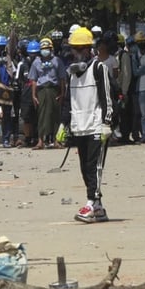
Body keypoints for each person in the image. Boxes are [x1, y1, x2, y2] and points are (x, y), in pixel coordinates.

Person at [61, 28, 113, 223]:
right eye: (74, 49)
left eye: (80, 48)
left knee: (95, 167)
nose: (76, 53)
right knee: (85, 167)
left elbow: (107, 98)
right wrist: (63, 123)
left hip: (96, 126)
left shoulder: (99, 69)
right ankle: (98, 208)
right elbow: (68, 100)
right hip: (79, 126)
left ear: (88, 49)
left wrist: (106, 123)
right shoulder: (71, 73)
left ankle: (92, 202)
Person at [29, 38, 65, 149]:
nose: (45, 51)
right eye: (43, 49)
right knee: (41, 115)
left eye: (47, 49)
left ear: (51, 49)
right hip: (42, 90)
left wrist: (62, 92)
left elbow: (62, 78)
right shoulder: (36, 62)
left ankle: (56, 140)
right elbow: (33, 80)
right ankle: (40, 141)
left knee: (55, 115)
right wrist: (34, 95)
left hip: (54, 89)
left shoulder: (57, 61)